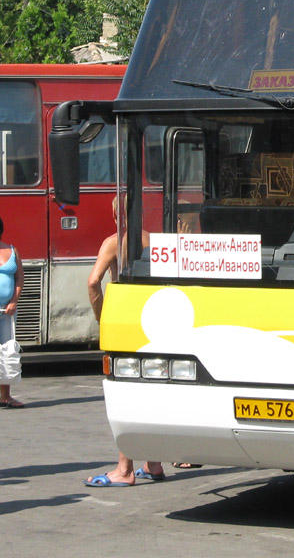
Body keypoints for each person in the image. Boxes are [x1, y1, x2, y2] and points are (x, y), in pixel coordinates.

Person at [84, 199, 165, 486]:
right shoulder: (152, 240)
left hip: (126, 323)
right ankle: (153, 462)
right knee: (150, 392)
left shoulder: (113, 242)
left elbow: (94, 282)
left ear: (116, 212)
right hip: (153, 324)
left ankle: (124, 469)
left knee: (126, 396)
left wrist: (102, 317)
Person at [0, 216, 25, 409]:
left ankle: (5, 396)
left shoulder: (12, 249)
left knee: (8, 352)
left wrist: (14, 301)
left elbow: (19, 278)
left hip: (7, 311)